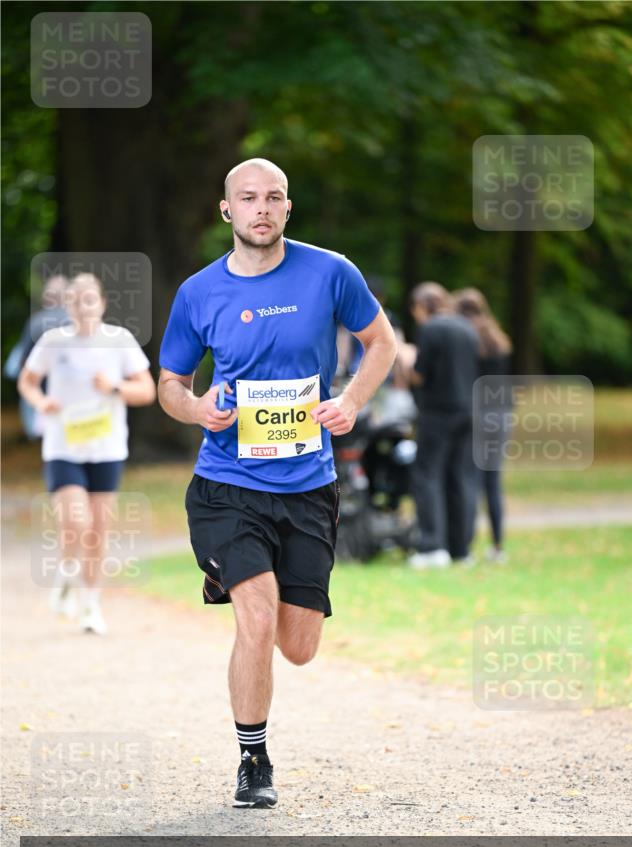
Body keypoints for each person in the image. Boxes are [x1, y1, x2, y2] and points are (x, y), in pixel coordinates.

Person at [158, 158, 397, 810]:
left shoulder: (330, 272)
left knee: (298, 646)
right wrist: (197, 408)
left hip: (308, 485)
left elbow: (381, 342)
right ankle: (252, 759)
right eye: (247, 198)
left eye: (273, 197)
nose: (260, 208)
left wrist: (350, 401)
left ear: (287, 207)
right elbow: (170, 384)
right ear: (226, 210)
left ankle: (242, 579)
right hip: (226, 485)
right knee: (257, 617)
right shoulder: (199, 292)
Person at [18, 273, 156, 634]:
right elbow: (27, 381)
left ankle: (91, 606)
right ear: (68, 306)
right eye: (76, 300)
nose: (83, 306)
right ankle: (67, 571)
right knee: (75, 523)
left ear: (102, 303)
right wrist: (40, 402)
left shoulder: (119, 340)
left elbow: (146, 391)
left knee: (97, 530)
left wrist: (114, 386)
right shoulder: (53, 342)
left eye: (90, 299)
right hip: (63, 446)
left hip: (107, 448)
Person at [397, 281, 479, 568]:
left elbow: (420, 375)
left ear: (421, 306)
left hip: (437, 412)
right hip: (468, 410)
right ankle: (461, 548)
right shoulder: (467, 327)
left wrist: (404, 360)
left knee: (428, 476)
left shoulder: (431, 329)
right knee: (461, 478)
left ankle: (432, 546)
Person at [454, 287, 513, 563]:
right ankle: (498, 545)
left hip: (476, 414)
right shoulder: (498, 338)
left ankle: (466, 544)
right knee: (493, 481)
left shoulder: (466, 339)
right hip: (501, 414)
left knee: (470, 479)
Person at [4, 275, 71, 440]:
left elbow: (23, 361)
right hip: (73, 393)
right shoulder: (77, 321)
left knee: (49, 437)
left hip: (42, 393)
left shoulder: (36, 322)